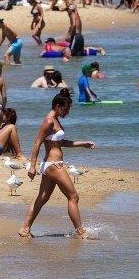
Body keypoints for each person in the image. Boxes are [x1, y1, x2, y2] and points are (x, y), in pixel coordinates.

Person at [19, 89, 96, 238]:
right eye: (66, 109)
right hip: (53, 165)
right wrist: (32, 166)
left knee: (42, 198)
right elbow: (37, 142)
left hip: (51, 165)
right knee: (73, 196)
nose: (68, 113)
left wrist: (83, 144)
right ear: (57, 106)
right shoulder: (49, 121)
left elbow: (60, 142)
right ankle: (80, 231)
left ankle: (25, 229)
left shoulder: (55, 119)